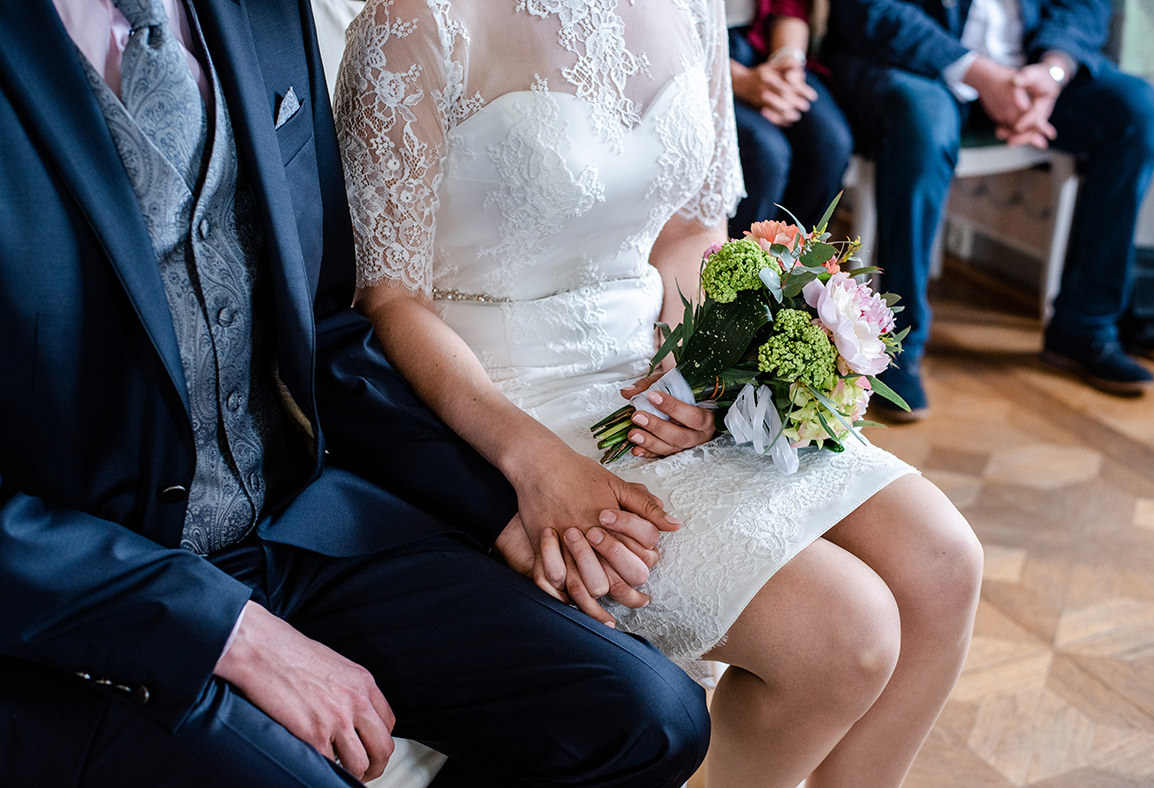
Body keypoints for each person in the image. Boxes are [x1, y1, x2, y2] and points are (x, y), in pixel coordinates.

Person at [0, 1, 714, 786]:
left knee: (648, 717)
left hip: (293, 523)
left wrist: (493, 500)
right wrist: (227, 632)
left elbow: (325, 328)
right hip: (80, 590)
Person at [333, 1, 984, 786]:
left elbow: (688, 233)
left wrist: (695, 374)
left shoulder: (694, 7)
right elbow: (390, 297)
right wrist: (532, 461)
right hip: (504, 398)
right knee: (844, 634)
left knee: (944, 563)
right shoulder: (415, 22)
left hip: (650, 369)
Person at [824, 0, 1154, 418]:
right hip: (915, 61)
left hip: (1030, 71)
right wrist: (980, 74)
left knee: (1138, 113)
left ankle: (1085, 327)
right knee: (923, 124)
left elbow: (1086, 6)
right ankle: (896, 345)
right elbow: (870, 10)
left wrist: (1052, 74)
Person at [726, 0, 854, 234]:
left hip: (765, 42)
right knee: (765, 152)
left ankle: (794, 264)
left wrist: (789, 64)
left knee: (829, 144)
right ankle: (740, 263)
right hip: (698, 57)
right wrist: (738, 80)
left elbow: (791, 7)